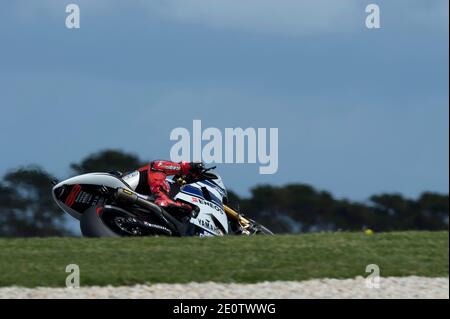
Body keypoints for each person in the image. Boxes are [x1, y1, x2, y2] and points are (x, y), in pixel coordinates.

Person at [121, 160, 204, 212]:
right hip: (127, 182)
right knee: (158, 166)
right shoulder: (168, 181)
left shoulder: (177, 191)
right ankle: (161, 196)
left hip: (135, 203)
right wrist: (186, 167)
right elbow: (157, 165)